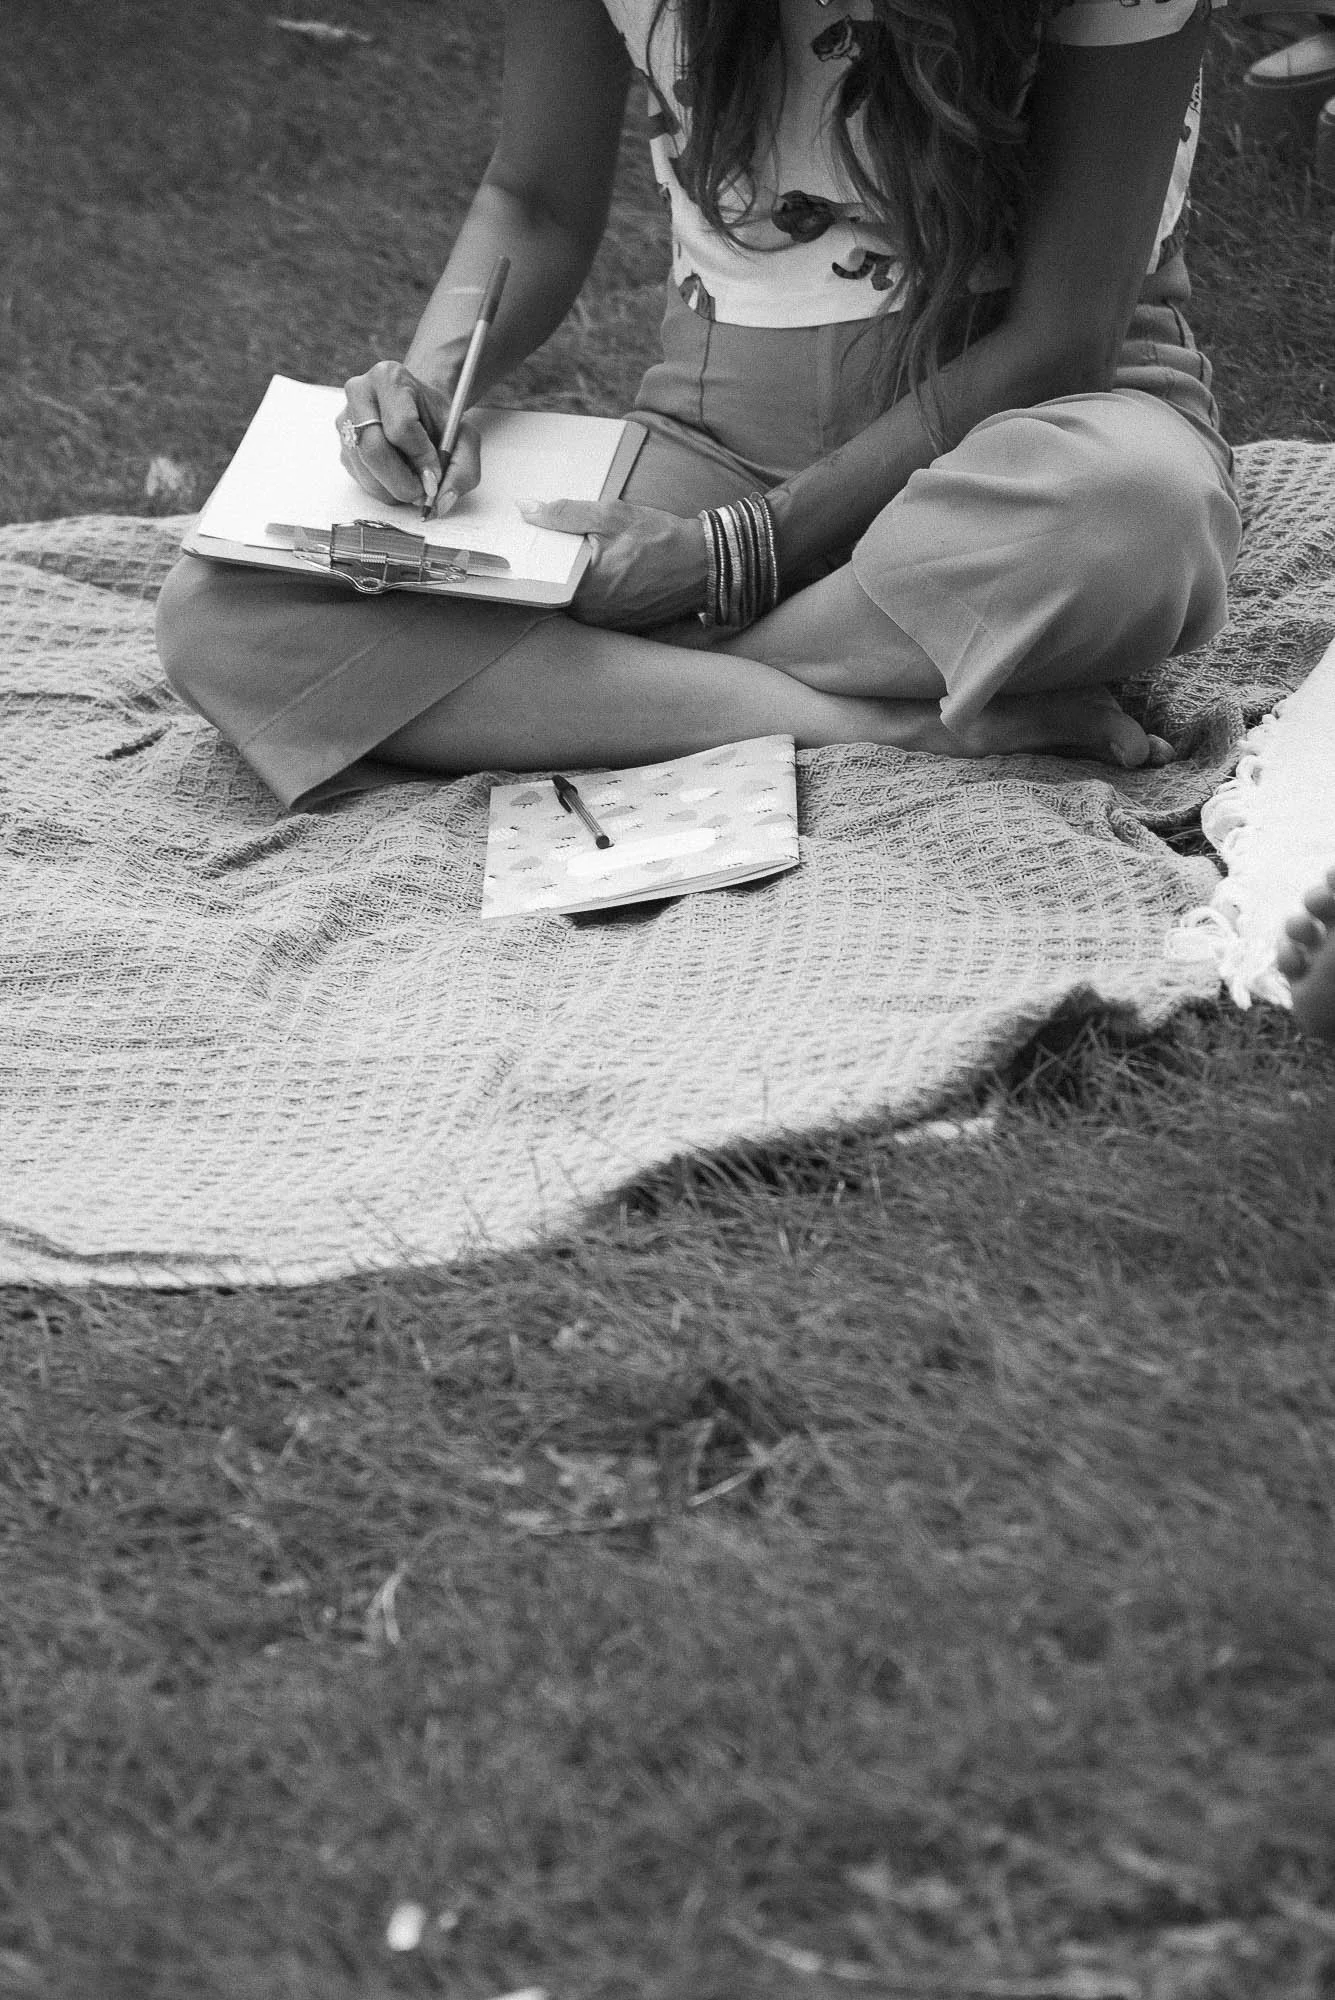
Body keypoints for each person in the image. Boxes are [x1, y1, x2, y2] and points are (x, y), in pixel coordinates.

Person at [157, 0, 1244, 813]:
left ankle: (623, 685)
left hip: (1029, 421)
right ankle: (874, 720)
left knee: (1128, 517)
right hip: (714, 437)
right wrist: (431, 382)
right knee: (230, 610)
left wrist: (733, 559)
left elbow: (1061, 337)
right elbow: (530, 199)